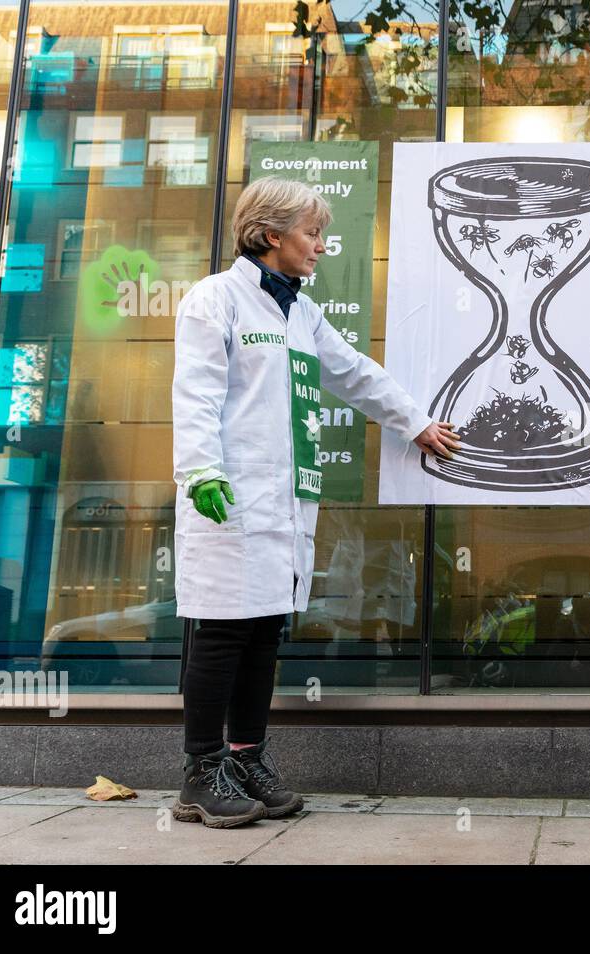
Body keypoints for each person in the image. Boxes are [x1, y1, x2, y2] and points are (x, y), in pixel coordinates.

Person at [171, 177, 459, 828]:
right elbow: (194, 394)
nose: (322, 247)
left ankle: (245, 758)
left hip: (282, 500)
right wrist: (201, 472)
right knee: (222, 631)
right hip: (229, 494)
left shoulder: (300, 313)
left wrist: (413, 421)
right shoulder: (214, 300)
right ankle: (199, 772)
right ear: (272, 236)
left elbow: (354, 372)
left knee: (264, 631)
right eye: (313, 233)